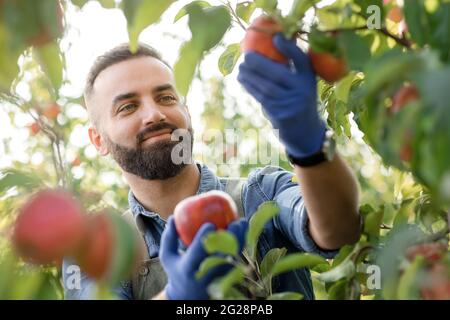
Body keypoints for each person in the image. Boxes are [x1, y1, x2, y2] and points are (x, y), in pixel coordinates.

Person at [62, 33, 361, 300]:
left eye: (166, 97)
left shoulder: (261, 194)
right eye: (128, 107)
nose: (154, 114)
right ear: (98, 140)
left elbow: (339, 230)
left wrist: (309, 145)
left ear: (186, 112)